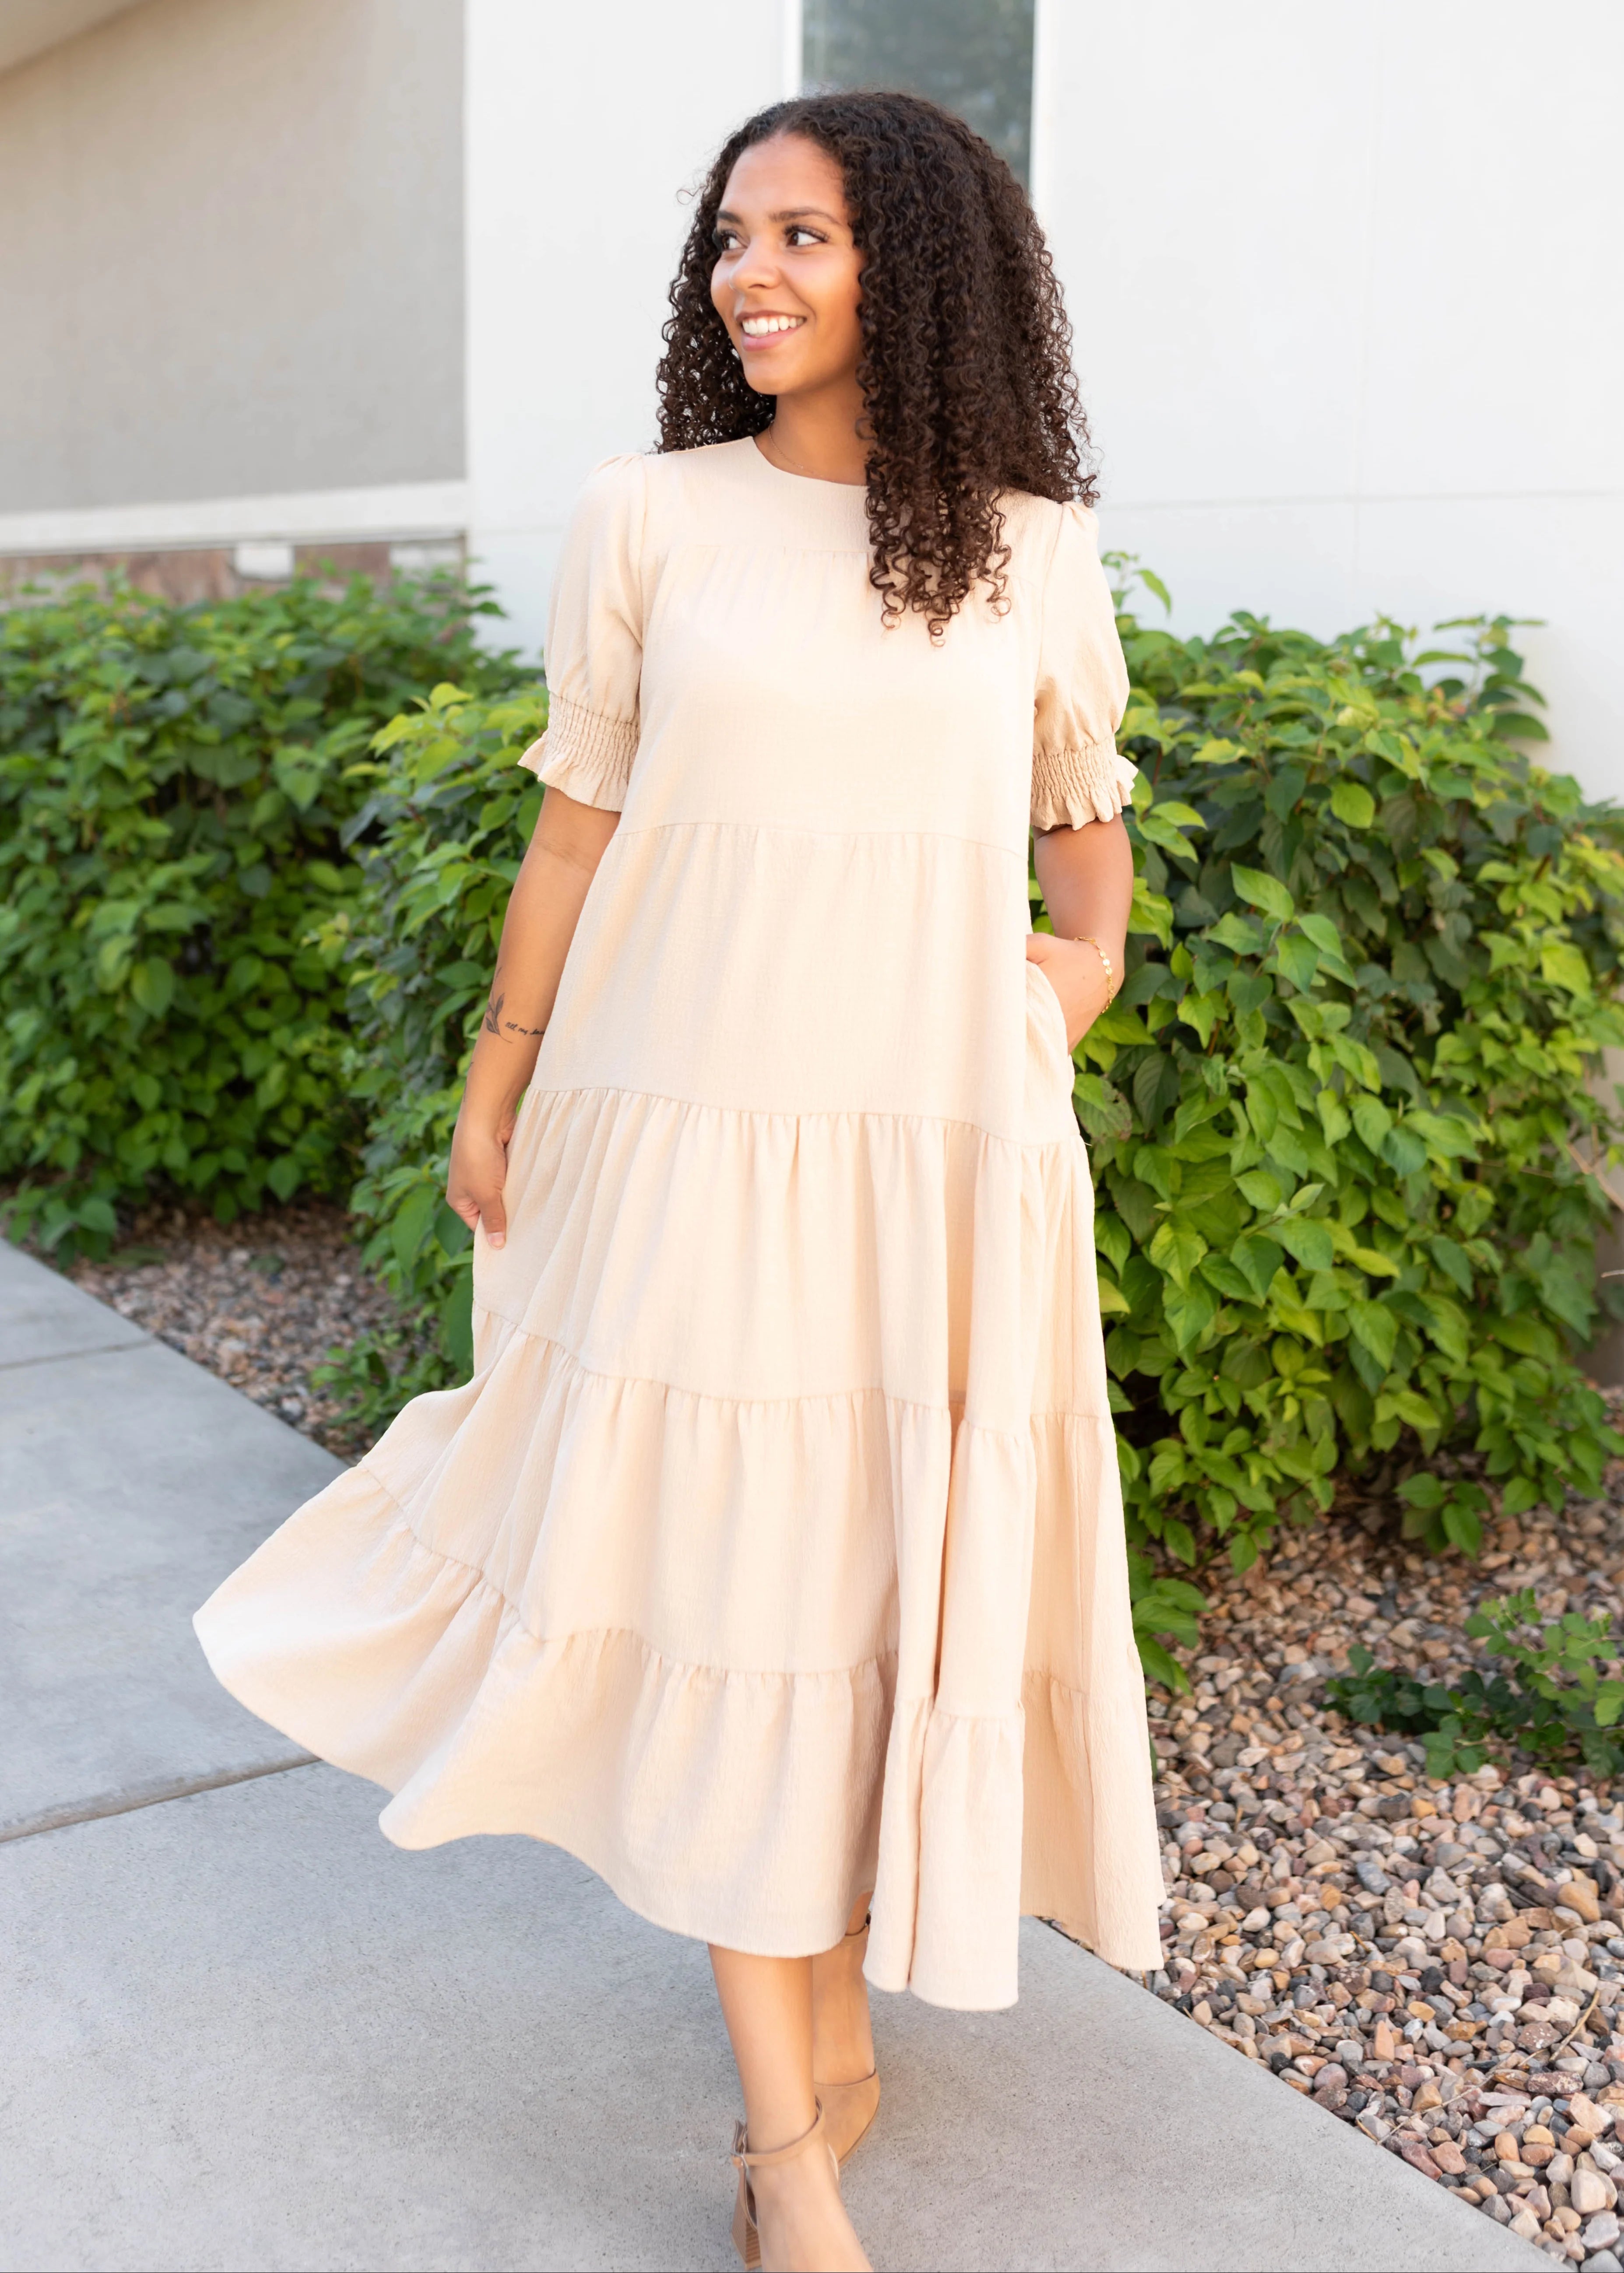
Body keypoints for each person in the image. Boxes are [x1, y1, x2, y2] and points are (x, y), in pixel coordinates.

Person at [196, 89, 1162, 2273]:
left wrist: (1056, 1005)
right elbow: (578, 829)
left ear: (914, 267)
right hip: (680, 1135)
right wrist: (499, 1068)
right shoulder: (646, 515)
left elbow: (1083, 849)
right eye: (732, 236)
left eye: (801, 235)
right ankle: (779, 2143)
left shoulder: (1031, 550)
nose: (748, 275)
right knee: (736, 1587)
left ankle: (827, 2023)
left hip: (926, 1155)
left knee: (858, 1589)